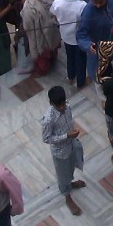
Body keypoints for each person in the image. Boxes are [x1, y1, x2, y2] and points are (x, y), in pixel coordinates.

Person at [41, 85, 86, 216]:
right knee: (62, 174)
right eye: (58, 106)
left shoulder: (67, 106)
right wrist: (66, 136)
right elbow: (46, 139)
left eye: (63, 104)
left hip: (71, 144)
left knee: (71, 167)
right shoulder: (48, 119)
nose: (62, 108)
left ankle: (70, 183)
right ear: (51, 103)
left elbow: (69, 119)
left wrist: (72, 133)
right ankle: (67, 196)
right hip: (60, 151)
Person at [21, 0, 60, 76]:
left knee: (41, 53)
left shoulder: (28, 7)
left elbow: (28, 26)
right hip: (52, 29)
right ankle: (53, 59)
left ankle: (42, 70)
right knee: (52, 46)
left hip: (39, 35)